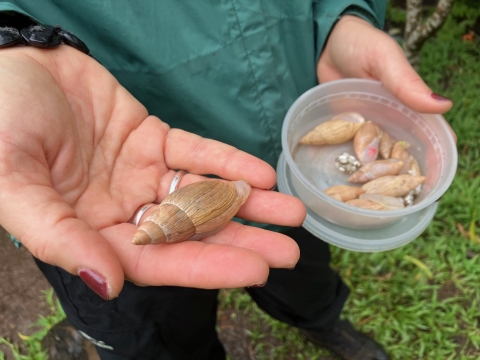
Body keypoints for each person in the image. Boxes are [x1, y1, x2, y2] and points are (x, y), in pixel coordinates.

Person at [0, 2, 454, 359]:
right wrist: (10, 41)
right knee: (159, 331)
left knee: (301, 270)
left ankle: (321, 322)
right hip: (106, 171)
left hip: (281, 152)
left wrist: (336, 18)